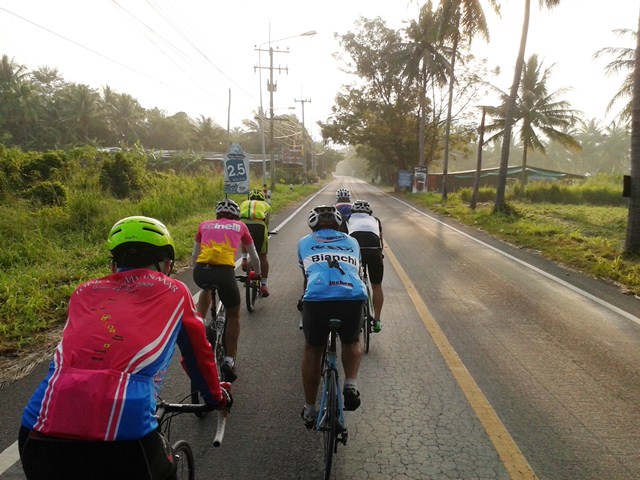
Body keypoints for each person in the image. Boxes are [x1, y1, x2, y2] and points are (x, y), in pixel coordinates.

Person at [18, 216, 232, 480]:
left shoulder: (83, 291)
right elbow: (198, 357)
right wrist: (217, 398)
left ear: (113, 264)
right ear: (167, 265)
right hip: (124, 427)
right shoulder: (176, 291)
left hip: (39, 425)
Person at [298, 205, 367, 428]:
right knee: (352, 341)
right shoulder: (352, 242)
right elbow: (356, 269)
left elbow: (307, 275)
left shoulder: (304, 243)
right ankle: (350, 384)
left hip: (317, 298)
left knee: (313, 349)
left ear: (312, 225)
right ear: (339, 225)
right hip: (352, 295)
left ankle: (310, 410)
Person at [192, 198, 261, 382]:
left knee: (206, 288)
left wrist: (198, 271)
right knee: (233, 315)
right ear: (236, 215)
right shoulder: (241, 226)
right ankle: (229, 360)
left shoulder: (204, 225)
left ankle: (201, 323)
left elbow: (195, 255)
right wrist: (258, 274)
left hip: (201, 271)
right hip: (224, 273)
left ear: (217, 214)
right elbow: (254, 256)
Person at [347, 200, 384, 332]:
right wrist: (380, 255)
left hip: (356, 251)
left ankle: (351, 315)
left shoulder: (348, 220)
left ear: (353, 211)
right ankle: (377, 320)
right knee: (376, 285)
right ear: (369, 212)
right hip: (374, 251)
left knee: (351, 283)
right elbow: (381, 242)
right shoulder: (376, 220)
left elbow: (344, 240)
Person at [239, 188, 272, 297]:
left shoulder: (244, 203)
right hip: (259, 226)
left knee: (244, 239)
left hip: (243, 224)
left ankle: (244, 259)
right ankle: (264, 285)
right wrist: (266, 233)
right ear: (262, 198)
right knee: (262, 256)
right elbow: (266, 222)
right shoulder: (266, 205)